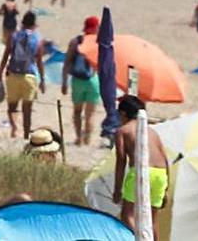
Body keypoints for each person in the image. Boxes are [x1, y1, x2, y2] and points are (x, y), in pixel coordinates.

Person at [113, 96, 170, 238]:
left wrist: (117, 189)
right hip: (161, 173)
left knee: (127, 215)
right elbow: (165, 158)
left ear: (123, 114)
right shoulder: (151, 131)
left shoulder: (123, 131)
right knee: (152, 221)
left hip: (141, 172)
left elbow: (121, 160)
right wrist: (166, 188)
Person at [0, 12, 46, 139]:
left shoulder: (13, 36)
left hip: (13, 74)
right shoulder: (38, 39)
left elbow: (6, 56)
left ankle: (14, 127)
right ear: (34, 25)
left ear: (22, 23)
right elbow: (39, 61)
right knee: (27, 110)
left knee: (12, 107)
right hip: (29, 76)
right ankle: (25, 135)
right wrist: (43, 79)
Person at [61, 17, 102, 146]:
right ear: (97, 28)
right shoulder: (99, 43)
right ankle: (87, 139)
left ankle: (78, 137)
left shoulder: (76, 42)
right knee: (90, 115)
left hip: (78, 81)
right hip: (93, 80)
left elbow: (67, 63)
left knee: (77, 111)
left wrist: (64, 82)